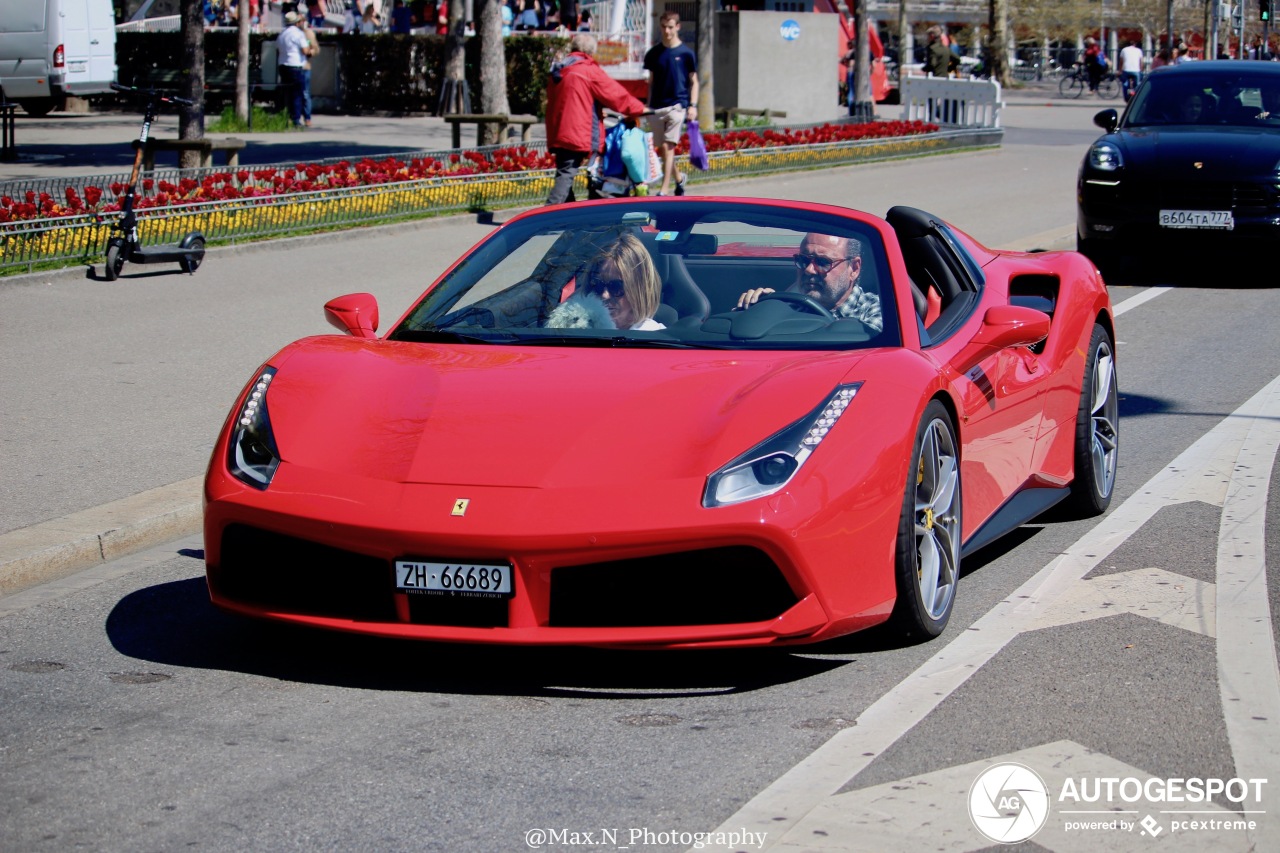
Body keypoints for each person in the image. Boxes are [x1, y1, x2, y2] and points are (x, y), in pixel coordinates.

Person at [543, 33, 646, 205]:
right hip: (576, 131)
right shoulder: (587, 69)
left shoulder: (561, 68)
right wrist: (640, 108)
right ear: (590, 51)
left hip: (558, 129)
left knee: (565, 172)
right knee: (566, 175)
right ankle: (546, 215)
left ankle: (569, 218)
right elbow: (615, 95)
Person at [734, 232, 882, 333]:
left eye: (823, 262)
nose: (809, 270)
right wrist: (761, 310)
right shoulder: (786, 308)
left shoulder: (878, 313)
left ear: (854, 269)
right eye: (803, 260)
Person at [644, 11, 698, 196]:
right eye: (664, 27)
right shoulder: (653, 54)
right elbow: (650, 82)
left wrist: (693, 105)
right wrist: (647, 106)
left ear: (678, 27)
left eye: (670, 27)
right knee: (663, 151)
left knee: (668, 147)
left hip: (677, 106)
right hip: (657, 107)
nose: (667, 31)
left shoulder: (686, 53)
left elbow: (694, 81)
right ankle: (679, 178)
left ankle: (664, 190)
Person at [583, 234, 665, 331]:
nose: (604, 295)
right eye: (598, 285)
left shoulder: (657, 339)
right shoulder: (577, 332)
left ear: (639, 290)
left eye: (616, 287)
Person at [276, 12, 314, 129]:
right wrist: (309, 50)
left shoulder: (282, 35)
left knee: (286, 93)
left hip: (283, 66)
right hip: (295, 66)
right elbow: (305, 50)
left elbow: (278, 49)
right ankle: (296, 119)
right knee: (297, 93)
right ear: (297, 22)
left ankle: (284, 116)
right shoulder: (298, 34)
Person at [298, 17, 320, 127]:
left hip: (305, 67)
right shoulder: (292, 33)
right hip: (293, 65)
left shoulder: (308, 33)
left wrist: (309, 53)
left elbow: (316, 48)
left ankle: (307, 117)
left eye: (302, 20)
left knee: (305, 93)